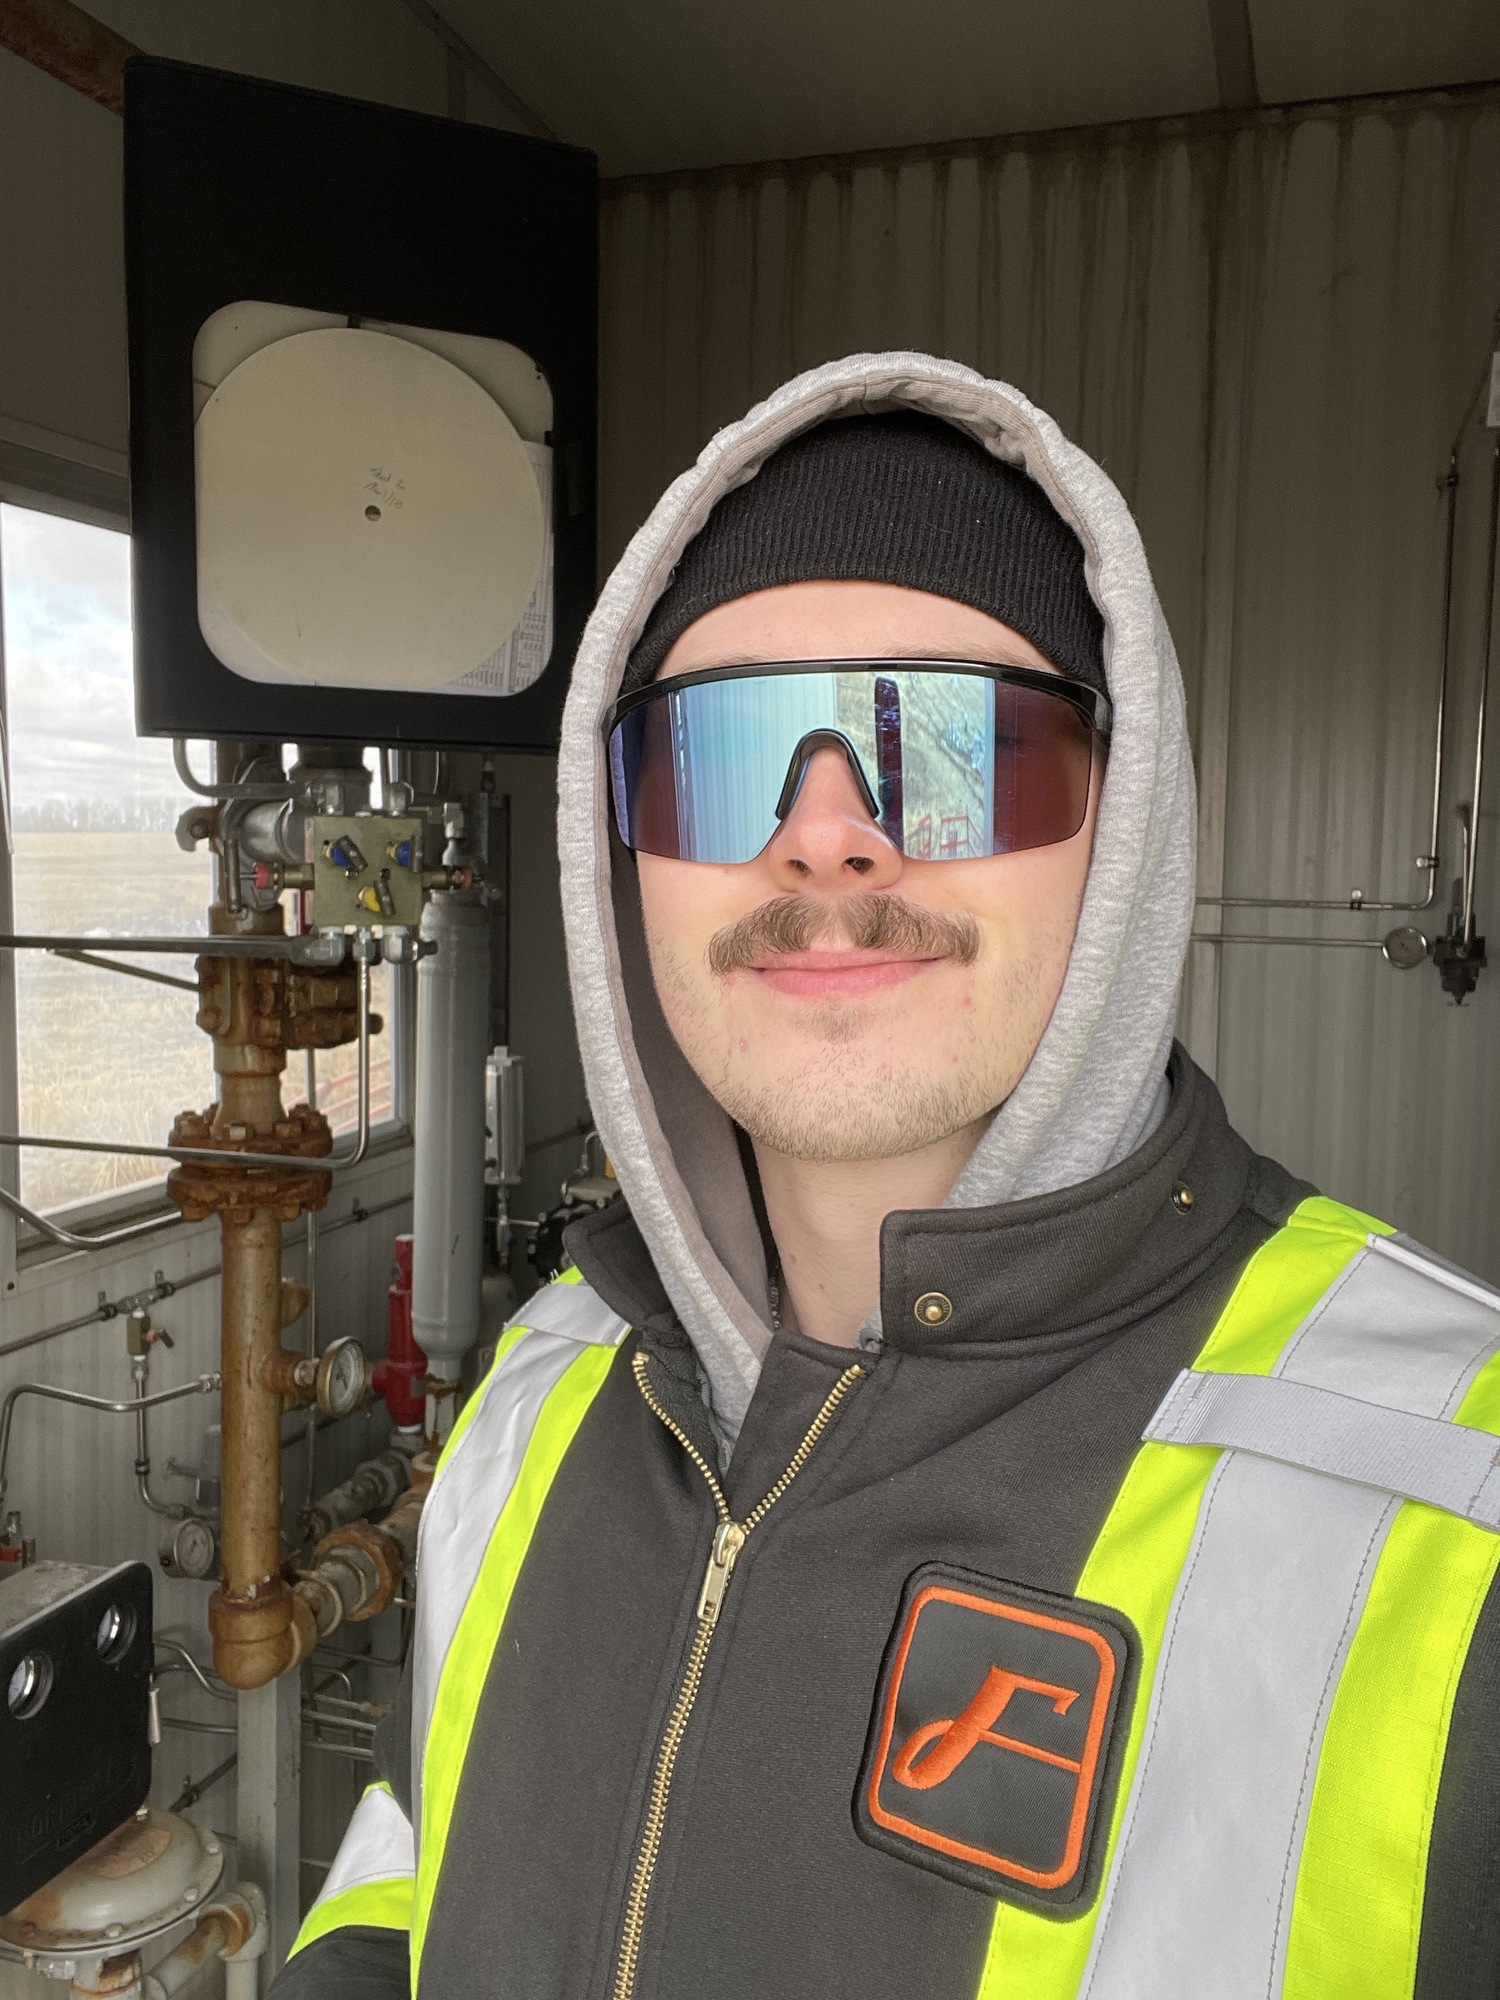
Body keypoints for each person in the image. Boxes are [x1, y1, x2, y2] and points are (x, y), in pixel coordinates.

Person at [274, 355, 1500, 2000]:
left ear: (1126, 821)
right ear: (616, 843)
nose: (828, 837)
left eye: (954, 740)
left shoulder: (1450, 1503)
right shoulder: (542, 1387)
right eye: (722, 751)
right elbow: (418, 1869)